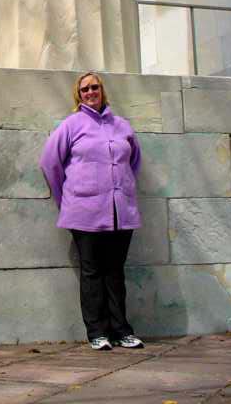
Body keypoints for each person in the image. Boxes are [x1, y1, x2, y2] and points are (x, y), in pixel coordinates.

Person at [40, 71, 144, 351]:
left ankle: (122, 331)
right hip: (84, 212)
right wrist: (67, 198)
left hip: (121, 211)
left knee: (115, 271)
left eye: (94, 87)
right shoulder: (72, 124)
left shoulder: (122, 125)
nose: (90, 92)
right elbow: (49, 163)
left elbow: (134, 162)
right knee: (92, 272)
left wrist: (121, 186)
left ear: (102, 90)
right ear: (79, 94)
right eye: (84, 89)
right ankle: (97, 332)